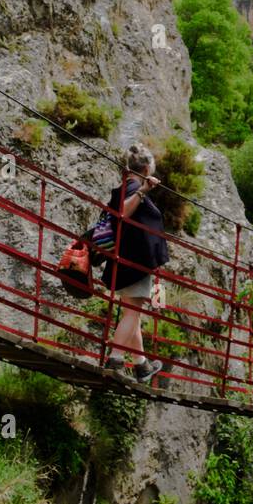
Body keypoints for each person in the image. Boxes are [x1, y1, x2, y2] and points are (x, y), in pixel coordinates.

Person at [103, 143, 169, 383]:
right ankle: (116, 359)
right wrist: (143, 190)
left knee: (134, 315)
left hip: (125, 262)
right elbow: (122, 213)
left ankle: (142, 365)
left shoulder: (124, 187)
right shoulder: (134, 188)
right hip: (135, 264)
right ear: (146, 167)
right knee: (132, 313)